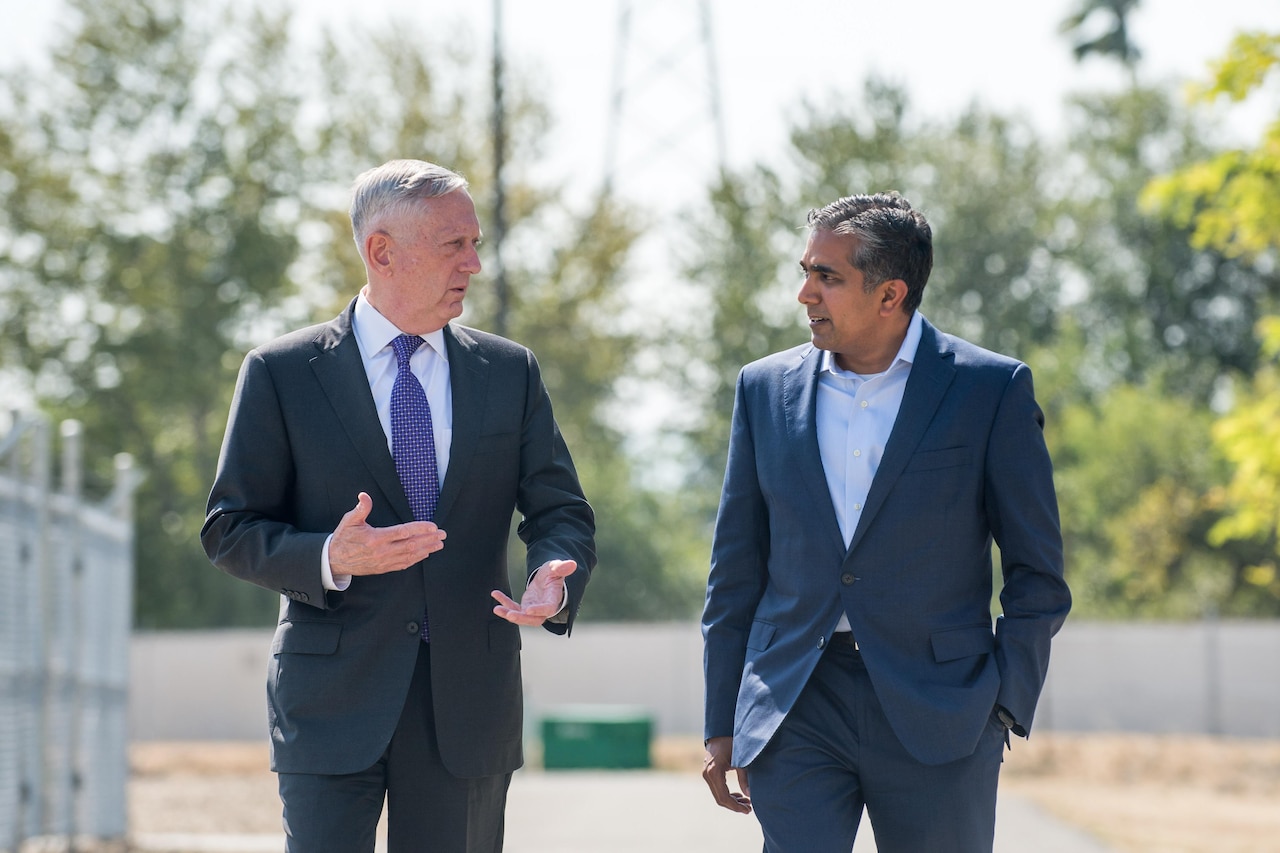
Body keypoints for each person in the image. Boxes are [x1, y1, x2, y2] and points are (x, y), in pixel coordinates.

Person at [201, 159, 595, 853]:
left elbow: (560, 509)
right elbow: (230, 527)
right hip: (329, 700)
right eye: (455, 245)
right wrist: (328, 554)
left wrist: (552, 574)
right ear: (382, 251)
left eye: (475, 243)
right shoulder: (282, 373)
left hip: (467, 706)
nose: (475, 263)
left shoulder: (509, 372)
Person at [700, 192, 1070, 852]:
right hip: (796, 703)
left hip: (943, 708)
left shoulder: (990, 390)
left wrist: (1003, 703)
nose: (804, 293)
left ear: (890, 294)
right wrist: (722, 718)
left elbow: (1037, 571)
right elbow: (736, 569)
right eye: (807, 271)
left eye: (827, 277)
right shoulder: (763, 389)